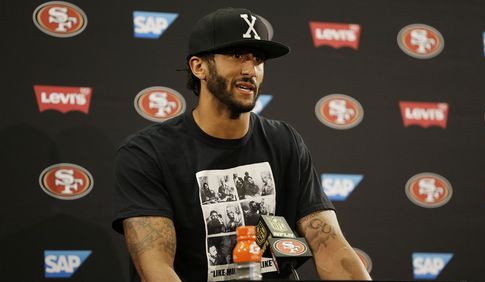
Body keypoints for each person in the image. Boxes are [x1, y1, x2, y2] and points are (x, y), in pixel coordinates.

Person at [112, 7, 371, 282]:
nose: (250, 70)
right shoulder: (147, 153)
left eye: (257, 59)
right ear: (198, 67)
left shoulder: (284, 142)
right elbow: (156, 269)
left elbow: (332, 249)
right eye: (236, 56)